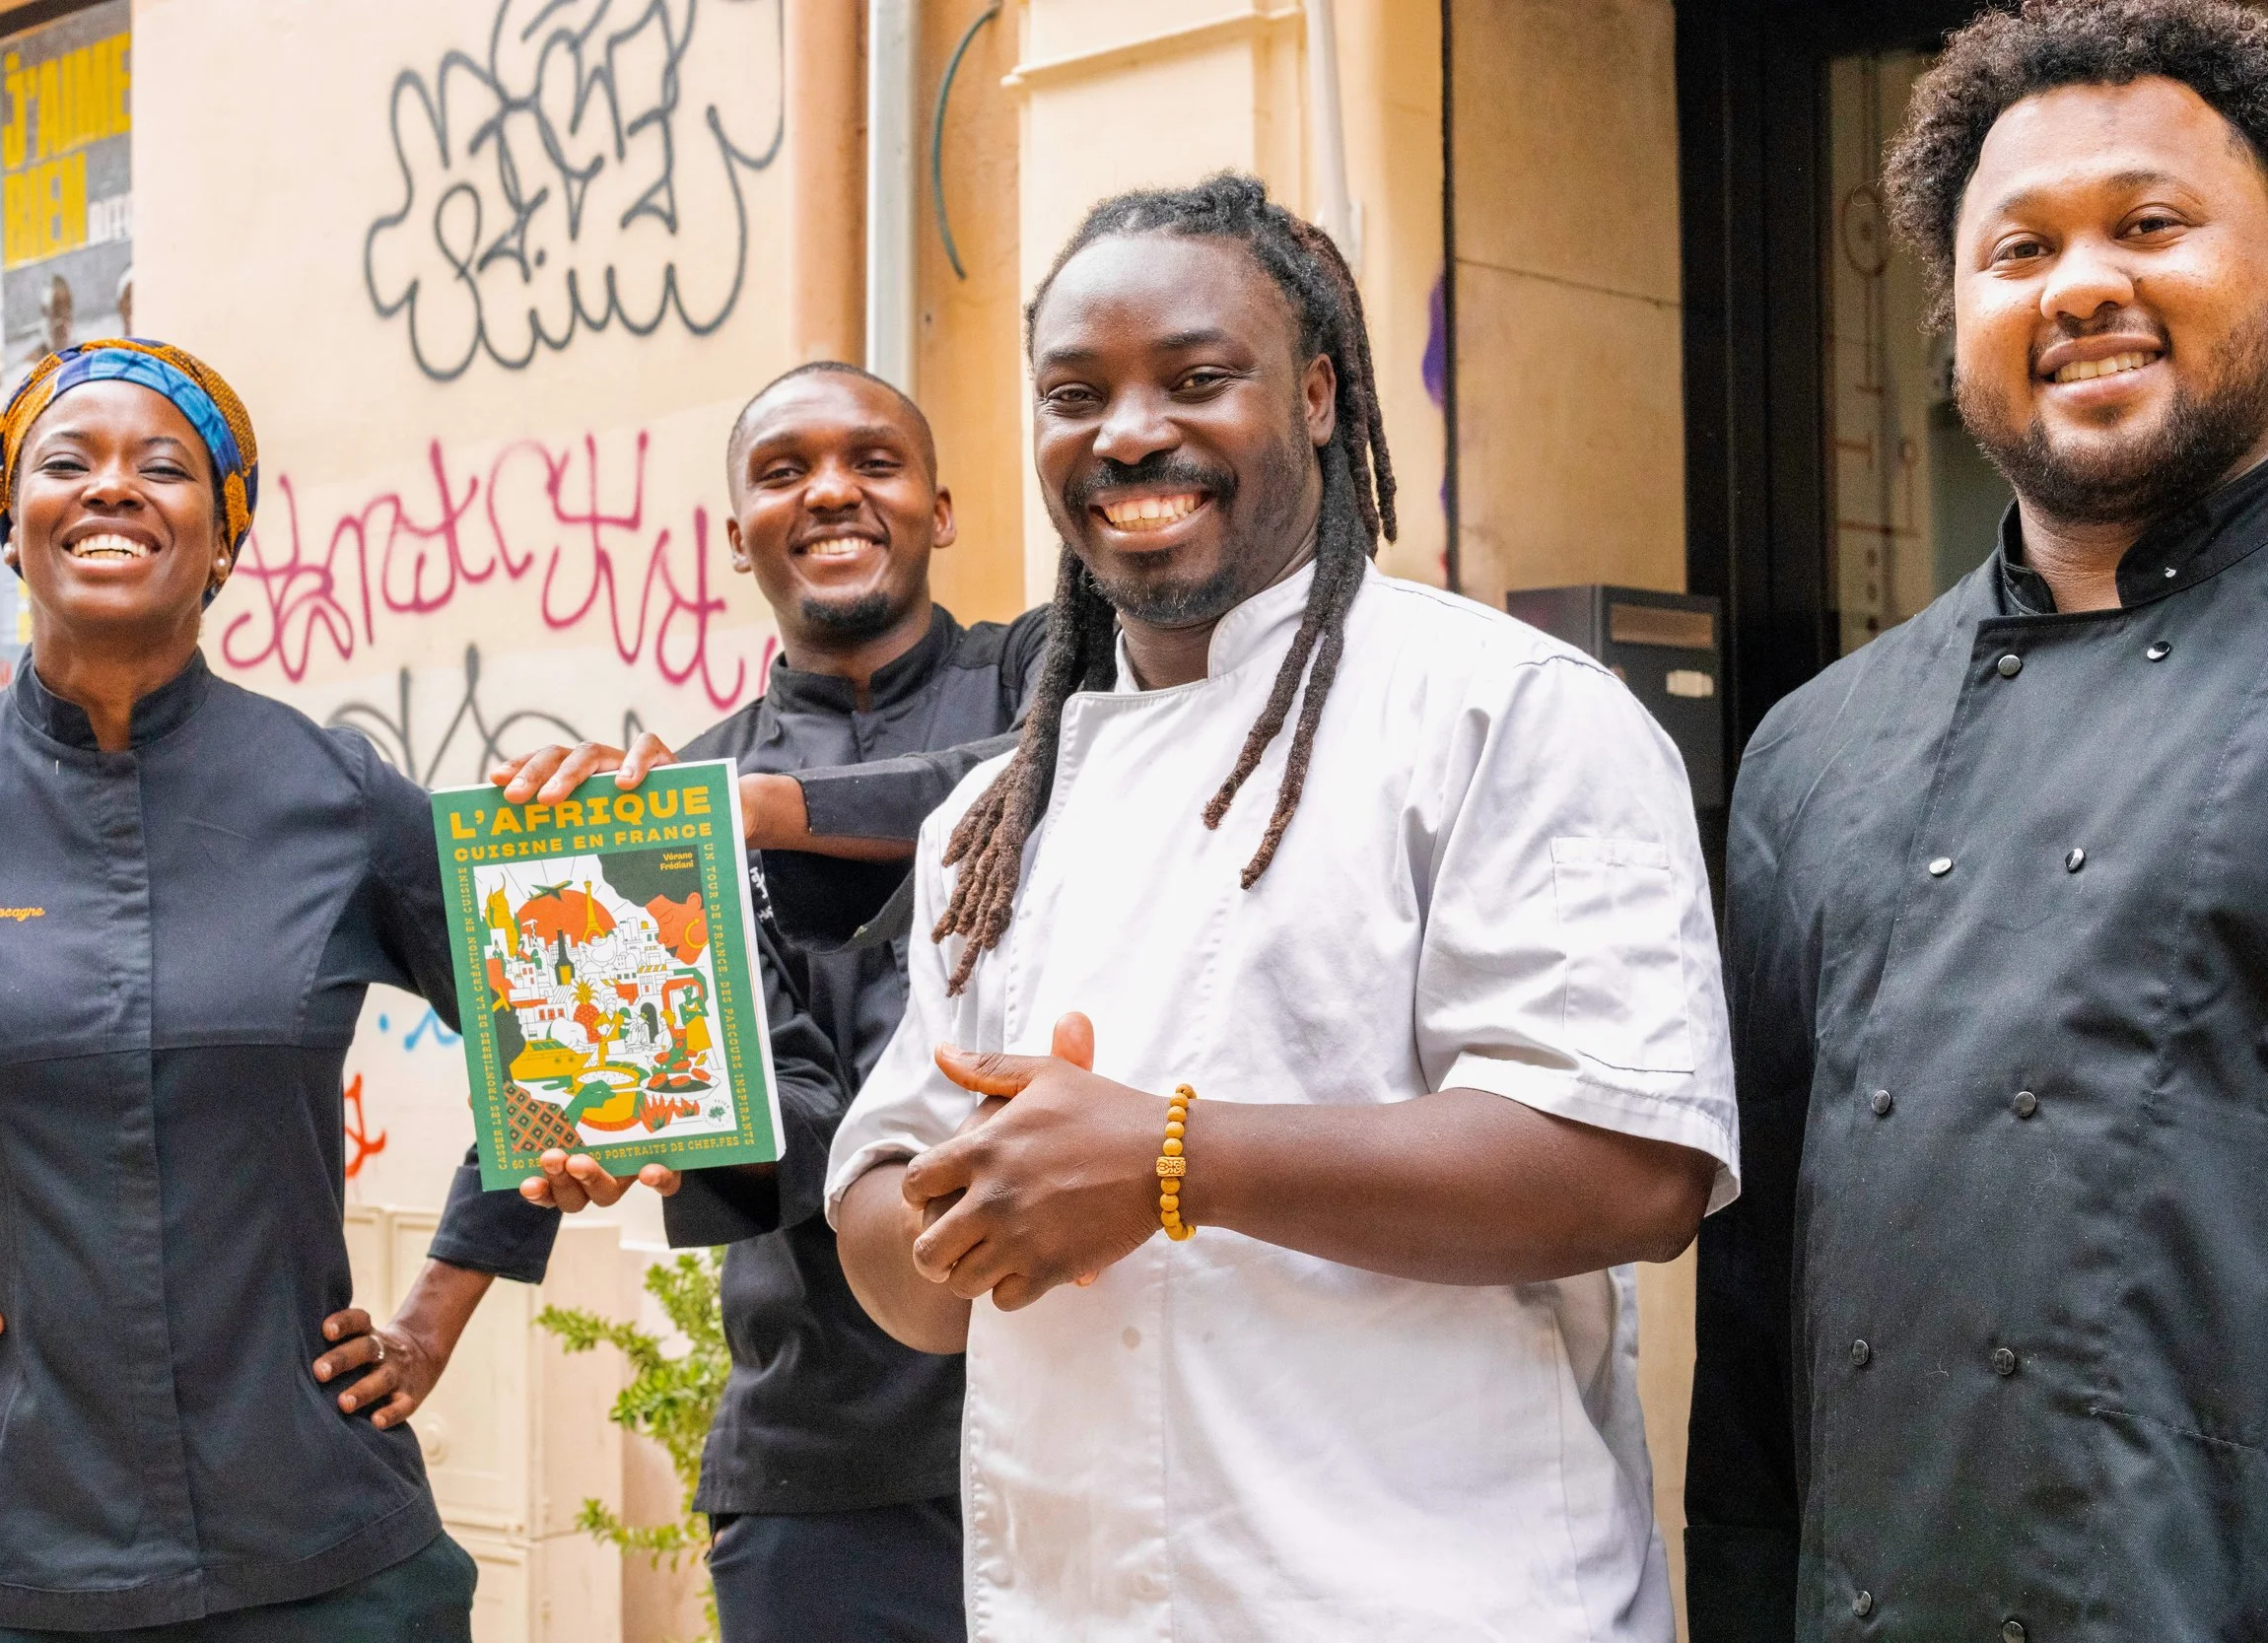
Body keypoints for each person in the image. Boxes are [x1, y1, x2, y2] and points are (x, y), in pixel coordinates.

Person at [804, 174, 1735, 1639]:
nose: (1127, 433)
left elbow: (1632, 1171)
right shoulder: (996, 816)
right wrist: (962, 1220)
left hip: (1437, 1606)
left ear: (1315, 394)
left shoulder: (1508, 712)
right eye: (1074, 394)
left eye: (1196, 378)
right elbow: (898, 1240)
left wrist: (1167, 1160)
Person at [0, 338, 599, 1639]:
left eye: (164, 467)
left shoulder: (339, 796)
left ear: (225, 535)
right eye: (68, 461)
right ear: (12, 525)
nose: (113, 486)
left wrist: (437, 1309)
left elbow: (564, 1043)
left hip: (323, 1552)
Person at [1685, 4, 2268, 1637]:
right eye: (2021, 248)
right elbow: (1755, 1323)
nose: (2080, 285)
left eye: (2149, 224)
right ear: (1955, 320)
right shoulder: (1815, 750)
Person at [497, 362, 1046, 1643]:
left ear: (941, 510)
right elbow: (786, 1140)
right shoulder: (674, 802)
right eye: (785, 471)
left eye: (874, 461)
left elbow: (1046, 774)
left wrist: (770, 813)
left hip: (1085, 1422)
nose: (832, 490)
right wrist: (648, 1111)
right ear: (738, 534)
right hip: (828, 1475)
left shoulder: (1042, 673)